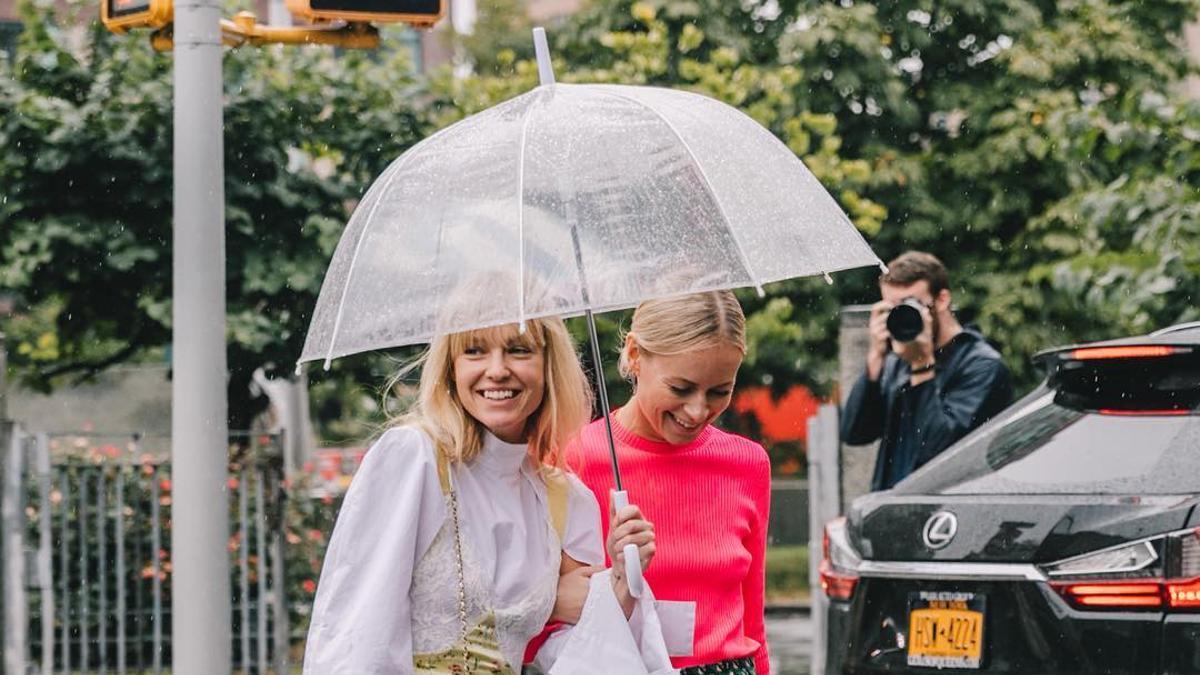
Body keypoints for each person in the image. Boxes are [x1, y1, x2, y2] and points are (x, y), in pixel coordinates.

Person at [303, 317, 676, 674]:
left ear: (549, 365)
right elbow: (358, 633)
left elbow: (570, 658)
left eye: (518, 350)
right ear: (451, 367)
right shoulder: (414, 457)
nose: (496, 369)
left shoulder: (567, 499)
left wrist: (621, 589)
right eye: (475, 351)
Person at [564, 291, 772, 675]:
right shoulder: (572, 458)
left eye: (719, 391)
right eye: (680, 388)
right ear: (634, 355)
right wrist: (615, 576)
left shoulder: (748, 463)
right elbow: (545, 614)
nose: (697, 411)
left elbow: (752, 621)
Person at [841, 250, 1013, 491]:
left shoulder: (982, 366)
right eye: (892, 308)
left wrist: (922, 367)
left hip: (945, 518)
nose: (901, 316)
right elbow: (855, 433)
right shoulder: (897, 360)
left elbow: (939, 451)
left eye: (910, 305)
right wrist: (875, 358)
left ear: (942, 300)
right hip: (893, 507)